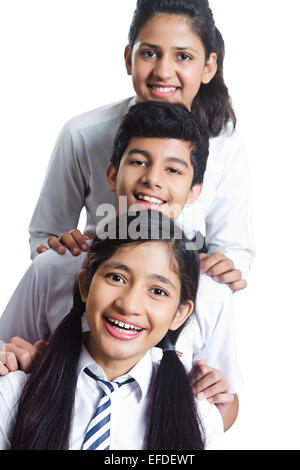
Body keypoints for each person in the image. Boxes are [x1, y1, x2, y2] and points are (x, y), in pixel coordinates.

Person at [0, 102, 241, 430]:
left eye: (173, 169)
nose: (152, 179)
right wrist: (10, 358)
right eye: (139, 161)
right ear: (112, 174)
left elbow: (224, 406)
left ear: (194, 191)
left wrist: (215, 401)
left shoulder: (210, 290)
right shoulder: (54, 266)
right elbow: (8, 352)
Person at [29, 0, 254, 293]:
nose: (163, 71)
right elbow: (46, 236)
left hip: (180, 300)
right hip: (95, 293)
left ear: (208, 67)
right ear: (128, 58)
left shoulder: (225, 143)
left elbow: (235, 248)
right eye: (149, 53)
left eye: (183, 56)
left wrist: (226, 267)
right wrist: (59, 251)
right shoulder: (82, 133)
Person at [0, 211, 226, 450]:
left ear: (180, 313)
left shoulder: (200, 421)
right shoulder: (14, 394)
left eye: (158, 291)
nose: (129, 305)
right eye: (117, 277)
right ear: (85, 285)